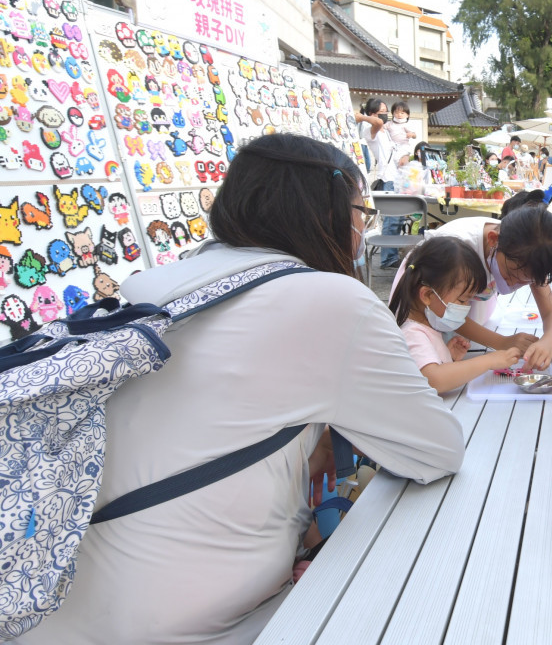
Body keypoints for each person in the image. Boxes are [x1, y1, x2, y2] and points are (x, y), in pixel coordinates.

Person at [18, 134, 465, 644]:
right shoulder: (332, 302)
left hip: (49, 607)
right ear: (331, 213)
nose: (363, 229)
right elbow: (437, 451)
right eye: (362, 212)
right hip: (199, 624)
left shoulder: (154, 286)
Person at [389, 205, 552, 371]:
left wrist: (549, 341)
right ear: (493, 240)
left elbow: (551, 313)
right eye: (512, 275)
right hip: (430, 313)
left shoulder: (530, 253)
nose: (514, 284)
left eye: (527, 281)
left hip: (448, 317)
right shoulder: (458, 248)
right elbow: (445, 310)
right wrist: (500, 342)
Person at [390, 237, 522, 393]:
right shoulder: (412, 333)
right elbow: (435, 380)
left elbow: (425, 368)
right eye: (462, 300)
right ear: (427, 295)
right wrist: (488, 361)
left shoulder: (428, 328)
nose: (466, 308)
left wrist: (448, 356)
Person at [355, 97, 386, 174]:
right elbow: (378, 122)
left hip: (389, 173)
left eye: (386, 111)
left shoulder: (386, 130)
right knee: (366, 159)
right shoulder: (365, 120)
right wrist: (363, 118)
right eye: (382, 111)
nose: (385, 114)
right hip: (362, 142)